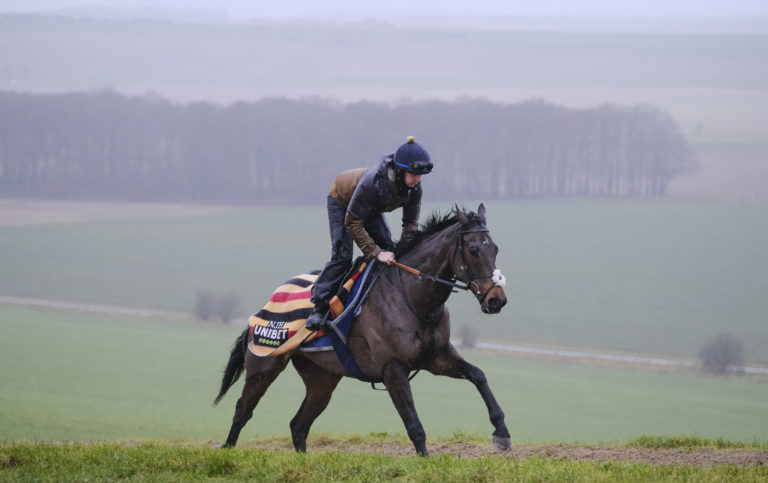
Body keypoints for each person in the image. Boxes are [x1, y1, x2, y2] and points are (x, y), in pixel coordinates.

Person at [305, 135, 433, 331]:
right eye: (414, 175)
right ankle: (319, 307)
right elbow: (353, 222)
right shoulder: (372, 183)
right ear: (399, 171)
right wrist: (374, 252)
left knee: (390, 250)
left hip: (370, 208)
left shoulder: (414, 188)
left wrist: (406, 250)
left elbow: (410, 223)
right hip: (343, 203)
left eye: (421, 175)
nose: (418, 180)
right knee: (343, 256)